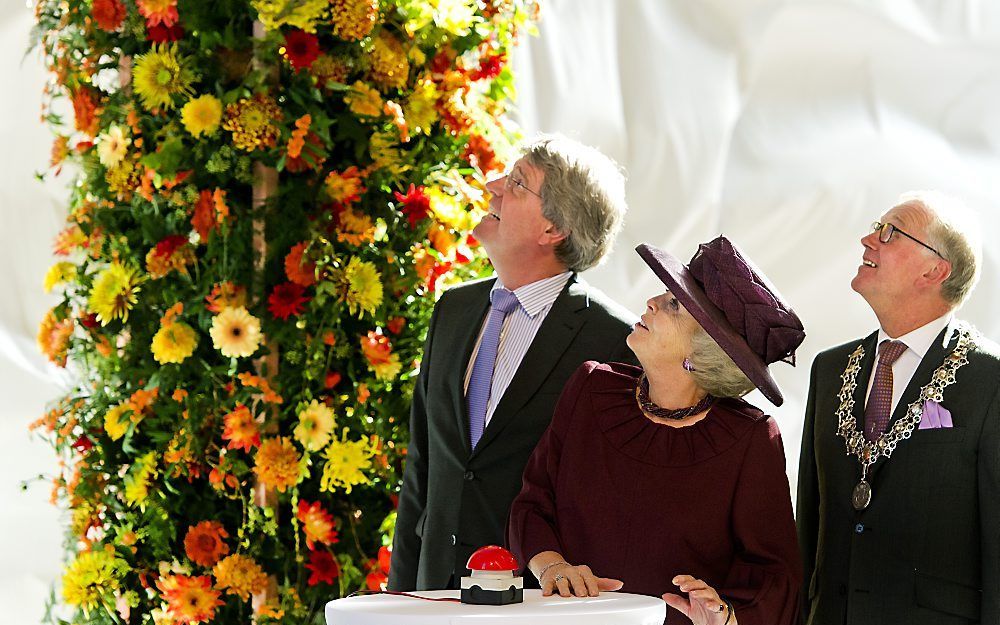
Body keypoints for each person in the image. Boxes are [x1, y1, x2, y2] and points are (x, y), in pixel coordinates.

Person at [508, 237, 805, 625]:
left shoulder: (750, 438)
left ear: (702, 353)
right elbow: (532, 504)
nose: (651, 301)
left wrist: (725, 615)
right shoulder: (590, 387)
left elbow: (775, 574)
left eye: (673, 305)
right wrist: (553, 568)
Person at [388, 135, 638, 591]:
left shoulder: (614, 341)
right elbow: (421, 473)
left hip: (537, 600)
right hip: (431, 594)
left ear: (554, 230)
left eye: (518, 182)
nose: (493, 185)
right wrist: (400, 598)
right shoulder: (452, 310)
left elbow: (610, 501)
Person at [796, 191, 1000, 625]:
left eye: (889, 232)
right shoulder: (828, 369)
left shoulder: (991, 381)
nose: (868, 240)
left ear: (934, 269)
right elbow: (809, 525)